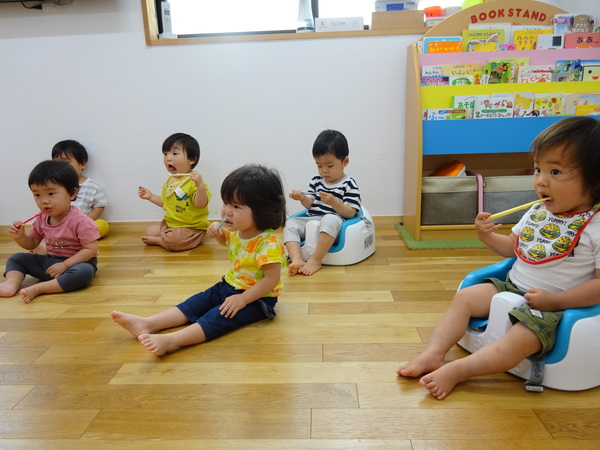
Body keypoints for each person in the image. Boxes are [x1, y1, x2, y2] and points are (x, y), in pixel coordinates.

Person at [397, 117, 600, 400]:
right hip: (512, 285)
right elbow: (512, 249)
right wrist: (487, 236)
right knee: (465, 297)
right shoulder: (538, 212)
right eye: (538, 169)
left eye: (555, 171)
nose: (540, 180)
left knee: (521, 339)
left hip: (557, 308)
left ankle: (458, 371)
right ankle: (433, 353)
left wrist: (556, 302)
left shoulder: (595, 227)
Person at [111, 164, 287, 355]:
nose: (227, 211)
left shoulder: (268, 243)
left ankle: (171, 340)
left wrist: (242, 299)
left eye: (236, 206)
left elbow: (271, 280)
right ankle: (148, 323)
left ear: (262, 210)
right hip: (230, 285)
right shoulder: (238, 230)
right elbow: (229, 244)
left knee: (218, 316)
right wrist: (218, 236)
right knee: (197, 302)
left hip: (258, 299)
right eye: (226, 203)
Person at [0, 160, 100, 303]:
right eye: (37, 195)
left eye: (51, 193)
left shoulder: (81, 221)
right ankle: (10, 284)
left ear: (72, 193)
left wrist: (65, 265)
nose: (44, 201)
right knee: (17, 258)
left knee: (85, 272)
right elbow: (32, 244)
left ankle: (40, 288)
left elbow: (90, 249)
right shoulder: (42, 218)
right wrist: (20, 237)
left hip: (76, 264)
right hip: (50, 263)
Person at [285, 129, 361, 276]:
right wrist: (302, 198)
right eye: (319, 166)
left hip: (334, 226)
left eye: (330, 166)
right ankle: (296, 259)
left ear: (345, 162)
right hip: (312, 219)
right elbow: (310, 205)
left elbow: (351, 213)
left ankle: (315, 260)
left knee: (330, 219)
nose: (324, 170)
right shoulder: (316, 181)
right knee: (291, 223)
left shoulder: (349, 184)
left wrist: (334, 203)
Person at [138, 133, 211, 251]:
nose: (168, 158)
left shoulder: (195, 182)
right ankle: (168, 237)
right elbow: (166, 203)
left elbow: (200, 204)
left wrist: (200, 187)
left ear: (192, 159)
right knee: (149, 232)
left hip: (191, 227)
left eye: (175, 153)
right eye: (165, 154)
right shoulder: (170, 182)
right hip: (171, 223)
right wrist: (150, 196)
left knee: (174, 241)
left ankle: (161, 241)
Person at [52, 140, 109, 238]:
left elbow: (99, 206)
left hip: (84, 225)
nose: (61, 168)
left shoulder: (92, 186)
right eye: (57, 164)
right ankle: (65, 236)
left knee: (102, 224)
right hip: (60, 225)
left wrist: (87, 220)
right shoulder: (54, 187)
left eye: (66, 163)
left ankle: (75, 237)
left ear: (82, 164)